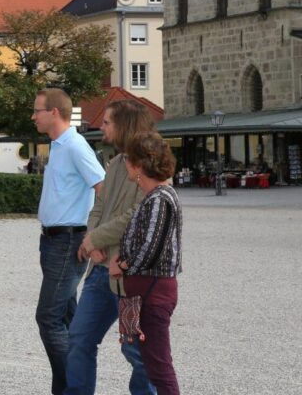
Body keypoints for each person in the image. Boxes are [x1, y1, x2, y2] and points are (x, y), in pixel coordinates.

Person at [67, 101, 157, 395]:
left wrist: (96, 238)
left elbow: (138, 213)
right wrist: (91, 240)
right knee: (79, 338)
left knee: (135, 350)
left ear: (125, 125)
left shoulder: (152, 166)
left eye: (107, 122)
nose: (101, 127)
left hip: (130, 277)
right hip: (100, 272)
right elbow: (100, 206)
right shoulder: (116, 163)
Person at [32, 88, 106, 395]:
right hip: (53, 241)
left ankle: (69, 389)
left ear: (54, 113)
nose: (33, 116)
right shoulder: (59, 144)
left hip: (67, 240)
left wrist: (95, 233)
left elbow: (102, 186)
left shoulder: (75, 145)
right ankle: (76, 384)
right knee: (66, 318)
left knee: (48, 316)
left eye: (37, 110)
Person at [111, 132, 183, 395]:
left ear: (139, 165)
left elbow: (151, 248)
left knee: (159, 366)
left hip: (153, 291)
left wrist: (123, 265)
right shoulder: (155, 197)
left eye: (129, 160)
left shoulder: (160, 199)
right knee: (152, 364)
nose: (125, 164)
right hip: (144, 290)